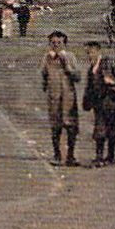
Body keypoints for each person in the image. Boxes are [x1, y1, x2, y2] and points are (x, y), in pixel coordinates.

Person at [39, 31, 81, 167]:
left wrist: (68, 68)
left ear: (64, 44)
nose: (56, 46)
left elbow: (78, 77)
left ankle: (70, 155)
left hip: (68, 96)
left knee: (71, 126)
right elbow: (44, 75)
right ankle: (57, 154)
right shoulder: (47, 58)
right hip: (54, 97)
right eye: (53, 43)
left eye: (59, 43)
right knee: (55, 126)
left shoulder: (70, 57)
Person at [82, 41, 115, 167]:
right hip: (99, 103)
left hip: (112, 102)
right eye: (88, 53)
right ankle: (99, 156)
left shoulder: (109, 62)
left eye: (91, 52)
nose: (89, 56)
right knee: (99, 129)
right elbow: (89, 87)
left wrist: (112, 82)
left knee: (112, 129)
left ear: (98, 51)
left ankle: (110, 156)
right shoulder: (91, 69)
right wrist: (86, 101)